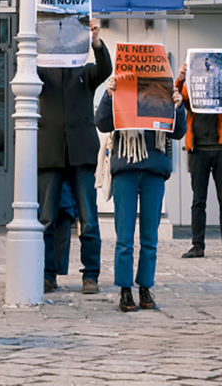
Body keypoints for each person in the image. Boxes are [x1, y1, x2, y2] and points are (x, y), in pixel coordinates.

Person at [95, 76, 187, 312]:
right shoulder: (121, 91)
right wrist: (108, 95)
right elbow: (103, 123)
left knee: (150, 238)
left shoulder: (162, 92)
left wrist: (178, 106)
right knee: (124, 238)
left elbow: (178, 133)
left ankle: (145, 287)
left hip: (153, 171)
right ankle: (125, 290)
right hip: (126, 169)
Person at [37, 18, 111, 294]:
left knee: (88, 218)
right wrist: (34, 43)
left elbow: (105, 69)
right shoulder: (41, 71)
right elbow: (20, 73)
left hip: (81, 153)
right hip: (50, 152)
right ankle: (47, 274)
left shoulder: (85, 71)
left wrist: (95, 42)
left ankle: (90, 274)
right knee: (46, 218)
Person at [175, 56, 222, 260]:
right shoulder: (192, 87)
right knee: (199, 200)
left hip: (221, 148)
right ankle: (197, 245)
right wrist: (180, 78)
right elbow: (176, 98)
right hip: (198, 150)